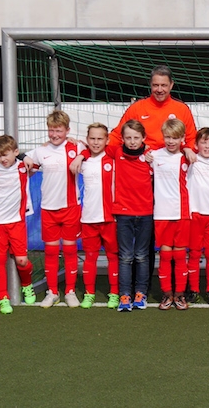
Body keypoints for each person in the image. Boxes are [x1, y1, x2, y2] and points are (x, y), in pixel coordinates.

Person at [84, 120, 154, 312]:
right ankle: (124, 295)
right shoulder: (115, 152)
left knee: (141, 256)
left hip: (145, 213)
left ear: (143, 138)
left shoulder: (151, 156)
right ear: (122, 139)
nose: (132, 141)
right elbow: (89, 148)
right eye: (128, 137)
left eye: (136, 138)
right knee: (125, 256)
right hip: (122, 213)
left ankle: (140, 293)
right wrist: (79, 155)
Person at [27, 110, 85, 309]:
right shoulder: (40, 151)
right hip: (48, 208)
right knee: (51, 252)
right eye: (51, 130)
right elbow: (26, 164)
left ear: (67, 130)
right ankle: (53, 292)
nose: (54, 135)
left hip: (70, 207)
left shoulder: (76, 147)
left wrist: (81, 155)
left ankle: (70, 291)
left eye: (58, 130)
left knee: (69, 250)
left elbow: (95, 147)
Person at [0, 135, 36, 314]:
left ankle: (27, 285)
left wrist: (24, 156)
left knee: (22, 261)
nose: (2, 159)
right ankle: (3, 297)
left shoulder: (23, 167)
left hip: (16, 221)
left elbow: (44, 157)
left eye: (6, 155)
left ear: (15, 152)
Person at [109, 65, 198, 163]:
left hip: (173, 162)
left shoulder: (182, 109)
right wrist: (100, 146)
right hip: (143, 162)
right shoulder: (137, 108)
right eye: (156, 85)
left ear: (171, 85)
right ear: (150, 84)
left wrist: (187, 149)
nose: (159, 90)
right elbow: (117, 136)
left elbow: (192, 138)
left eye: (164, 85)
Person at [75, 123, 120, 309]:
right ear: (87, 140)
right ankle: (89, 293)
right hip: (89, 219)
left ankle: (114, 293)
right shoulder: (82, 161)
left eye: (100, 139)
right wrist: (81, 154)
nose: (96, 142)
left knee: (113, 257)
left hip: (110, 219)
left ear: (107, 140)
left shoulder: (113, 158)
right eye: (92, 138)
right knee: (90, 257)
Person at [150, 119, 191, 311]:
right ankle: (167, 294)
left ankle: (180, 294)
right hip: (162, 213)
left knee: (180, 255)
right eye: (167, 137)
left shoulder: (187, 156)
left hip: (182, 212)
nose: (171, 141)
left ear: (182, 138)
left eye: (175, 138)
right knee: (165, 255)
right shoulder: (154, 155)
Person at [187, 127, 209, 304]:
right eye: (203, 142)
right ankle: (193, 289)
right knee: (194, 253)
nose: (207, 146)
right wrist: (186, 149)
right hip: (194, 214)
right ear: (196, 144)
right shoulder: (190, 160)